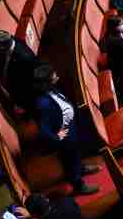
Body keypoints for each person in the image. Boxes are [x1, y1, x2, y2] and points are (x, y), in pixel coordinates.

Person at [32, 65, 100, 195]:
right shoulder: (43, 103)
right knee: (70, 160)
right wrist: (57, 137)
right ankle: (78, 185)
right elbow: (43, 129)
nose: (57, 76)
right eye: (54, 76)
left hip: (71, 128)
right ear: (47, 82)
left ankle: (81, 168)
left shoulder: (53, 89)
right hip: (65, 137)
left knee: (76, 153)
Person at [0, 31, 40, 109]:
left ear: (2, 47)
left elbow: (25, 83)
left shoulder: (24, 59)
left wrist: (15, 100)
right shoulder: (9, 40)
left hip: (19, 89)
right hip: (5, 80)